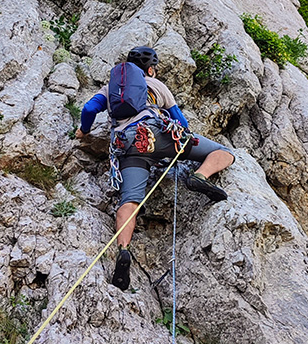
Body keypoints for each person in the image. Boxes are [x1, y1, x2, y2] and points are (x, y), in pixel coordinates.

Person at [75, 46, 235, 290]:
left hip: (129, 145)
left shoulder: (111, 89)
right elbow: (181, 122)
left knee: (129, 202)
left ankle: (123, 249)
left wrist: (84, 131)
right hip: (161, 135)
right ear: (150, 69)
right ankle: (200, 176)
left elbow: (88, 110)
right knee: (224, 153)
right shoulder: (157, 85)